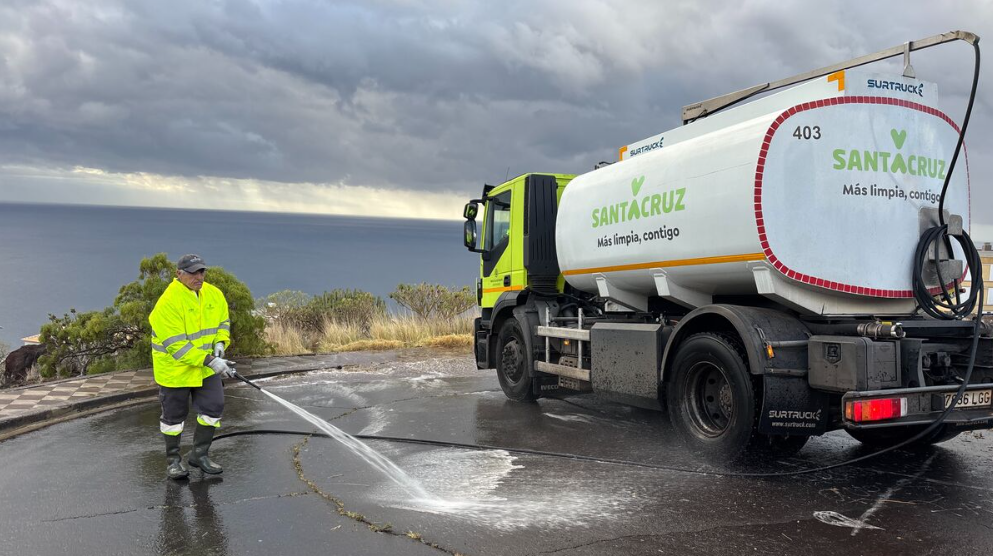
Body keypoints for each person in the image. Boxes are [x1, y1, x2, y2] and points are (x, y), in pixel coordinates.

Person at [149, 254, 235, 480]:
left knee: (213, 407)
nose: (199, 277)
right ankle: (173, 462)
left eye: (202, 271)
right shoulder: (167, 303)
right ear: (179, 274)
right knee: (173, 419)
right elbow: (177, 346)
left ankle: (199, 455)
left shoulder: (214, 294)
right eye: (193, 272)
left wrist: (220, 343)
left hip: (205, 369)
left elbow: (223, 322)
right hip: (175, 371)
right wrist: (211, 361)